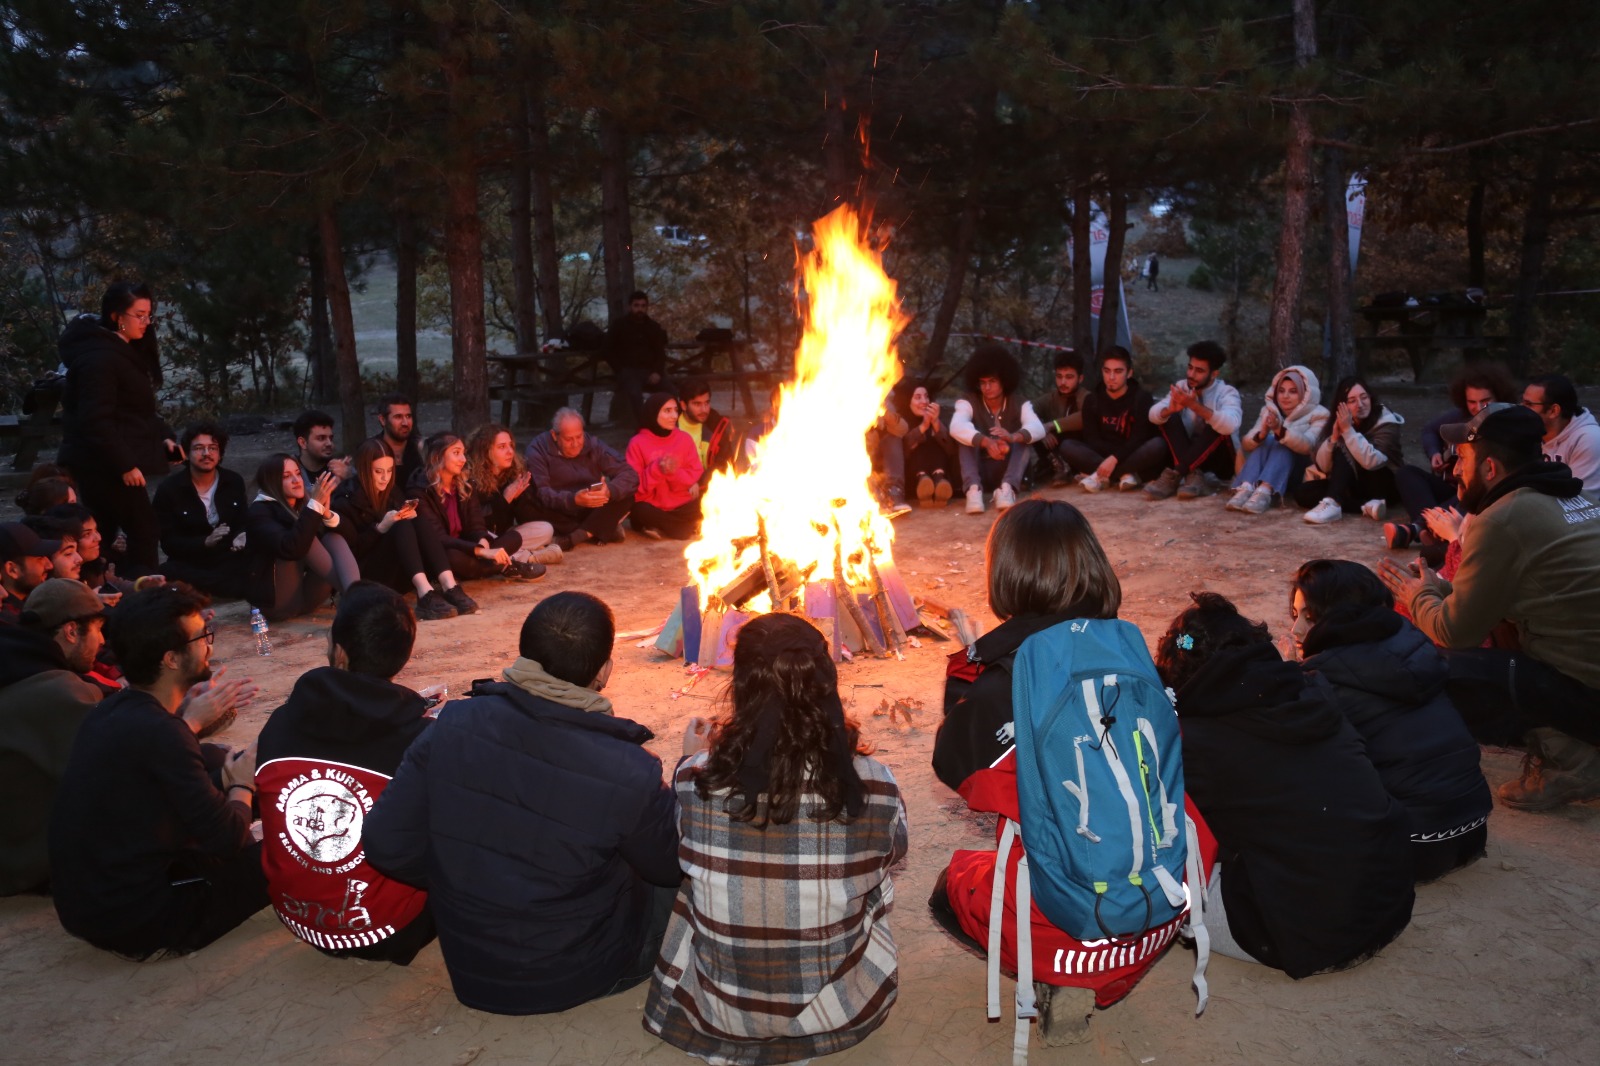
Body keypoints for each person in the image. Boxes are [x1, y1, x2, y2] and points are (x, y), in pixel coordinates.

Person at [930, 499, 1201, 1041]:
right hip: (1167, 899)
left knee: (954, 884)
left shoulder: (997, 684)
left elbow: (959, 772)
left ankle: (1061, 972)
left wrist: (969, 682)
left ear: (1005, 574)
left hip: (1078, 921)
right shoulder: (1131, 651)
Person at [363, 591, 681, 1014]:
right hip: (577, 973)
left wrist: (465, 878)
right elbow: (671, 864)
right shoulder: (628, 767)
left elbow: (387, 845)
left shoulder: (450, 725)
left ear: (525, 655)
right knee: (681, 859)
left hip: (471, 965)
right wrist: (685, 780)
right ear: (604, 670)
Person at [644, 613, 907, 1064]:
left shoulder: (695, 778)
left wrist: (690, 758)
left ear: (741, 686)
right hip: (839, 1013)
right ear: (824, 684)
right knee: (875, 873)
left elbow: (683, 835)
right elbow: (894, 849)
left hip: (721, 1012)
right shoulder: (873, 785)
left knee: (699, 875)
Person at [1154, 592, 1414, 977]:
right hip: (1385, 904)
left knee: (1157, 869)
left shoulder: (1198, 741)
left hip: (1306, 934)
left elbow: (1187, 839)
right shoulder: (1313, 690)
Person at [1378, 403, 1600, 810]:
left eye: (1462, 457)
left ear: (1491, 468)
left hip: (1588, 696)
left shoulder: (1501, 519)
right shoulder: (1575, 497)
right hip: (1586, 679)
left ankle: (1574, 759)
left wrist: (1417, 595)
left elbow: (1456, 631)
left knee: (1435, 668)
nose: (1453, 468)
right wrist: (1437, 590)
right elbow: (1505, 594)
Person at [49, 584, 268, 959]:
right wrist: (243, 786)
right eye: (202, 637)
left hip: (89, 908)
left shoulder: (111, 711)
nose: (209, 646)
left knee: (219, 768)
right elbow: (229, 839)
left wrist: (229, 783)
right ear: (170, 659)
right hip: (143, 920)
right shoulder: (162, 734)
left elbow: (164, 793)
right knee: (287, 851)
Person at [255, 582, 436, 963]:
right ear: (403, 656)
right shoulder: (420, 742)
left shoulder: (281, 723)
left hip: (297, 917)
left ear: (338, 651)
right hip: (395, 928)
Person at [1289, 560, 1491, 882]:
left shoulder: (1325, 677)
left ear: (1342, 617)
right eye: (1295, 614)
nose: (1295, 630)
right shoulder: (1409, 644)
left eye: (1309, 618)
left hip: (1410, 848)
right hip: (1471, 827)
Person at [56, 281, 181, 575]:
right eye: (139, 315)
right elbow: (95, 419)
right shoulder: (99, 358)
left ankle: (108, 592)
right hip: (103, 464)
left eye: (149, 315)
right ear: (116, 316)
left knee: (102, 533)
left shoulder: (123, 353)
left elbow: (135, 411)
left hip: (112, 461)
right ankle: (146, 600)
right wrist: (124, 465)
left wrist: (164, 438)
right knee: (142, 530)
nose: (146, 322)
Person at [0, 580, 105, 895]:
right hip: (31, 863)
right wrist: (190, 721)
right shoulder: (54, 690)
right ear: (72, 631)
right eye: (99, 629)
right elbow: (120, 770)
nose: (102, 641)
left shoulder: (18, 668)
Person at [1386, 363, 1516, 551]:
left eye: (1485, 401)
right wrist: (1435, 453)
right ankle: (1430, 531)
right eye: (1472, 402)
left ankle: (1418, 528)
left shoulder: (1507, 420)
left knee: (1475, 488)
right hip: (1451, 486)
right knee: (1406, 474)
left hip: (1479, 491)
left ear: (1499, 396)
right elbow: (1430, 430)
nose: (1478, 407)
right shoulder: (1460, 416)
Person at [408, 433, 545, 608]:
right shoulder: (420, 491)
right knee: (451, 556)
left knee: (514, 538)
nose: (463, 459)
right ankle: (500, 567)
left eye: (463, 453)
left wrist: (482, 542)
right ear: (437, 456)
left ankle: (483, 568)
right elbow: (438, 538)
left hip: (468, 549)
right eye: (456, 453)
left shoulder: (464, 483)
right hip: (444, 553)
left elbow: (476, 524)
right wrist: (480, 552)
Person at [332, 439, 461, 621]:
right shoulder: (345, 500)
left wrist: (410, 518)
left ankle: (449, 585)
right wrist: (380, 528)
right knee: (399, 524)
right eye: (378, 472)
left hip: (399, 571)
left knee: (418, 519)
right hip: (368, 576)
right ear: (363, 470)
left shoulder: (391, 491)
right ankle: (424, 593)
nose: (385, 477)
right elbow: (350, 553)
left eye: (389, 471)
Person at [244, 453, 361, 622]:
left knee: (333, 537)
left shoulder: (304, 502)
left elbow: (352, 537)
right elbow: (291, 548)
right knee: (307, 537)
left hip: (306, 600)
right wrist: (314, 507)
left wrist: (326, 514)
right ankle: (359, 603)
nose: (296, 480)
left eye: (298, 474)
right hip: (277, 604)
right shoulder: (260, 511)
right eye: (286, 476)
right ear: (272, 481)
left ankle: (357, 598)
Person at [153, 422, 251, 599]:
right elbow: (169, 543)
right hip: (192, 562)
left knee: (254, 561)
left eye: (212, 448)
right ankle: (221, 588)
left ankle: (204, 590)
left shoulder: (233, 481)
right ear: (187, 453)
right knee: (168, 571)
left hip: (228, 557)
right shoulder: (169, 489)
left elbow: (243, 521)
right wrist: (204, 542)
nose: (207, 454)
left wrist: (242, 534)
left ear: (220, 453)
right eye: (199, 448)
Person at [524, 408, 639, 551]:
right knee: (525, 505)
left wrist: (608, 491)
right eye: (568, 439)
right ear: (554, 435)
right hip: (558, 509)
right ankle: (602, 528)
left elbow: (629, 474)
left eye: (579, 437)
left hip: (590, 506)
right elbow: (543, 493)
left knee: (626, 496)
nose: (576, 443)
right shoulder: (538, 449)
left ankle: (576, 537)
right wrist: (573, 500)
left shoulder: (593, 444)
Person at [949, 344, 1045, 514]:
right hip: (980, 470)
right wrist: (986, 442)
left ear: (1004, 381)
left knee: (1024, 440)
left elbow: (1038, 428)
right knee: (964, 439)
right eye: (983, 382)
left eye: (992, 381)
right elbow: (956, 427)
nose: (987, 387)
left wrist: (1013, 437)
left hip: (1008, 469)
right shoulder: (968, 401)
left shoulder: (1019, 403)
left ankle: (1007, 489)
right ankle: (973, 491)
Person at [1297, 375, 1405, 524]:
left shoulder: (1386, 420)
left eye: (1364, 397)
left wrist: (1348, 431)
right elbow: (1323, 467)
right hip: (1353, 484)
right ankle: (1365, 507)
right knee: (1303, 492)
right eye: (1352, 401)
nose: (1360, 404)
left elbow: (1373, 462)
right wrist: (1333, 438)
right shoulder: (1339, 422)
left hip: (1382, 483)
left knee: (1345, 447)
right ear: (1342, 406)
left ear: (1370, 398)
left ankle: (1334, 501)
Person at [1143, 340, 1243, 501]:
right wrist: (1170, 409)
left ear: (1214, 374)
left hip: (1221, 462)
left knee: (1217, 424)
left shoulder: (1227, 392)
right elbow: (1152, 415)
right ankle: (1193, 475)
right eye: (1190, 368)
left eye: (1199, 371)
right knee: (1169, 417)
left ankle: (1175, 475)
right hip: (1190, 454)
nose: (1191, 375)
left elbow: (1231, 425)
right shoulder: (1182, 387)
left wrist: (1194, 406)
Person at [1225, 364, 1328, 514]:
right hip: (1265, 469)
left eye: (1293, 391)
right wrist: (1262, 433)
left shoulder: (1320, 414)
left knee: (1282, 441)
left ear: (1305, 394)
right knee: (1267, 439)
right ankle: (1247, 487)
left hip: (1298, 474)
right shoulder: (1269, 411)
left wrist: (1280, 431)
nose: (1285, 396)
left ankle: (1265, 492)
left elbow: (1308, 446)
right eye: (1281, 391)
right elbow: (1246, 444)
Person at [463, 423, 562, 565]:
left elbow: (526, 518)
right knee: (488, 542)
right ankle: (527, 557)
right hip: (483, 537)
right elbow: (478, 523)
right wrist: (504, 499)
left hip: (505, 536)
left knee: (546, 528)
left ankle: (518, 553)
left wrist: (524, 495)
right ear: (486, 451)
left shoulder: (511, 473)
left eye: (510, 445)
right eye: (502, 447)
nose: (510, 451)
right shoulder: (471, 479)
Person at [1072, 346, 1164, 492]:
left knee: (1158, 444)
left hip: (1133, 452)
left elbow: (1139, 438)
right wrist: (1110, 459)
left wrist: (1115, 459)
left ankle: (1099, 476)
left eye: (1118, 371)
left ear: (1129, 373)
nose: (1111, 377)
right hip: (1102, 454)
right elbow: (1091, 439)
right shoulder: (1092, 399)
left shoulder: (1141, 398)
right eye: (1107, 371)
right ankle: (1125, 474)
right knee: (1068, 446)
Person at [625, 393, 704, 539]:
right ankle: (682, 527)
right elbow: (634, 488)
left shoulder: (684, 439)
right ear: (653, 413)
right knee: (637, 509)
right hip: (652, 507)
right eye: (667, 411)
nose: (674, 416)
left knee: (708, 497)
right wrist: (657, 469)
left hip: (682, 505)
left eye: (675, 410)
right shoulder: (637, 443)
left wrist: (674, 472)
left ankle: (662, 527)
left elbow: (694, 474)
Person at [1524, 373, 1600, 497]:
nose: (1521, 409)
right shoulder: (1529, 432)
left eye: (1529, 404)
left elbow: (1582, 501)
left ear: (1554, 411)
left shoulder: (1589, 439)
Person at [606, 290, 670, 430]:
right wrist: (620, 370)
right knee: (635, 395)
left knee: (671, 391)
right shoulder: (619, 326)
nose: (639, 309)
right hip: (628, 372)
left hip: (650, 371)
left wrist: (657, 372)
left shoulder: (653, 327)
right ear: (630, 307)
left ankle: (670, 426)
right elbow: (608, 350)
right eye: (636, 305)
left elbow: (660, 353)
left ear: (647, 307)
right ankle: (644, 429)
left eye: (643, 306)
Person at [888, 378, 956, 505]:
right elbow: (904, 448)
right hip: (913, 478)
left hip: (940, 472)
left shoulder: (938, 419)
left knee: (934, 443)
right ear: (908, 402)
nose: (924, 401)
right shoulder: (901, 423)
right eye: (918, 397)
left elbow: (951, 450)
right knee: (920, 444)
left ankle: (940, 484)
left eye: (926, 397)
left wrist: (936, 424)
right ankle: (923, 484)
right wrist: (923, 427)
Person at [1033, 351, 1086, 484]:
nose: (1063, 382)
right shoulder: (1050, 398)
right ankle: (1059, 466)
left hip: (1080, 449)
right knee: (1031, 430)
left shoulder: (1086, 397)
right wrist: (1042, 431)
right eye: (1059, 376)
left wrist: (1050, 425)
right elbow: (1027, 410)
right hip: (1056, 448)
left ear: (1080, 378)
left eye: (1069, 377)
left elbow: (1085, 416)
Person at [677, 377, 737, 490]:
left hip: (707, 488)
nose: (704, 410)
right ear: (684, 405)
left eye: (707, 403)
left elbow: (724, 462)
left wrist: (699, 484)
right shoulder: (669, 425)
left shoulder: (717, 425)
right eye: (697, 404)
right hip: (674, 489)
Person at [1, 521, 58, 623]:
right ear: (12, 570)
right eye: (39, 558)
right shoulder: (11, 623)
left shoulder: (26, 607)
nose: (50, 565)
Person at [371, 394, 424, 490]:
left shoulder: (420, 448)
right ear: (383, 420)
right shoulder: (372, 450)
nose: (405, 423)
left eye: (408, 416)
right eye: (398, 417)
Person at [293, 409, 353, 484]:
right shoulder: (287, 473)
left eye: (330, 438)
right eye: (321, 438)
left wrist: (349, 478)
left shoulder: (341, 468)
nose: (329, 443)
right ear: (303, 443)